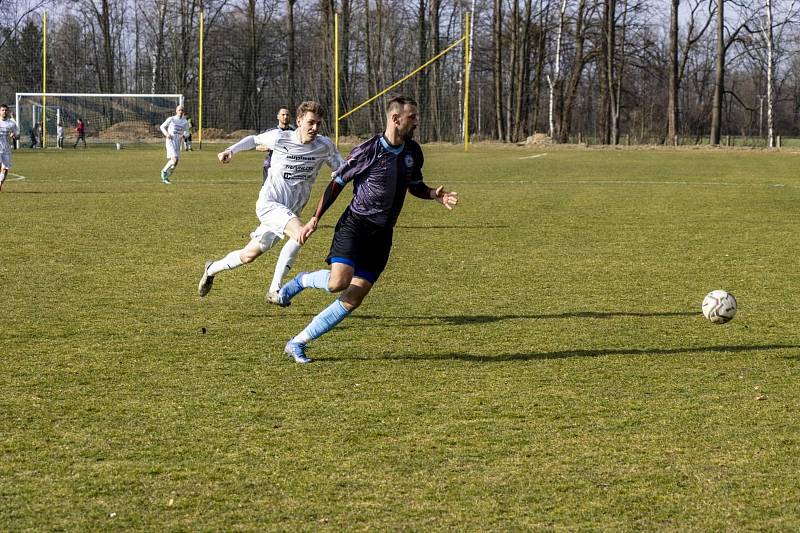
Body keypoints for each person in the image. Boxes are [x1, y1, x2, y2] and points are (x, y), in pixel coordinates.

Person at [277, 95, 459, 363]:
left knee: (354, 297)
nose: (416, 122)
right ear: (395, 119)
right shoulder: (369, 150)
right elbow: (337, 183)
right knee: (337, 283)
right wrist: (315, 218)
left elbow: (414, 185)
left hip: (383, 235)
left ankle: (297, 342)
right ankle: (301, 280)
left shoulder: (413, 152)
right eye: (412, 117)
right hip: (356, 225)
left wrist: (433, 194)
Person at [197, 100, 344, 304]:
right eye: (311, 122)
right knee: (301, 232)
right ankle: (275, 290)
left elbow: (341, 168)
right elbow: (253, 139)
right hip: (270, 204)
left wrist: (346, 170)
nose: (315, 128)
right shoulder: (281, 137)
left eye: (319, 124)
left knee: (249, 255)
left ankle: (211, 269)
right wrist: (231, 150)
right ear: (299, 120)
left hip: (290, 210)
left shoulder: (324, 146)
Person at [261, 106, 295, 185]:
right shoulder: (271, 132)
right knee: (268, 188)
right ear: (278, 117)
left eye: (287, 115)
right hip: (271, 164)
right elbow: (259, 147)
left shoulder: (294, 132)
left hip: (288, 164)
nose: (285, 117)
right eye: (283, 115)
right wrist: (271, 147)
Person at [159, 105, 189, 184]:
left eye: (182, 110)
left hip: (178, 142)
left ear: (183, 111)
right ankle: (164, 172)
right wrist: (167, 134)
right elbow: (162, 127)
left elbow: (187, 132)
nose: (180, 111)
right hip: (170, 141)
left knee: (175, 162)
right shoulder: (171, 119)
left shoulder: (185, 121)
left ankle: (166, 177)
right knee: (174, 159)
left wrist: (184, 135)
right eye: (179, 110)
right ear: (176, 111)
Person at [0, 104, 20, 192]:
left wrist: (14, 136)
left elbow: (18, 136)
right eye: (2, 110)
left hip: (6, 150)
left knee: (5, 169)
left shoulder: (11, 123)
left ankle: (0, 183)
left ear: (8, 111)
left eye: (5, 110)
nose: (4, 112)